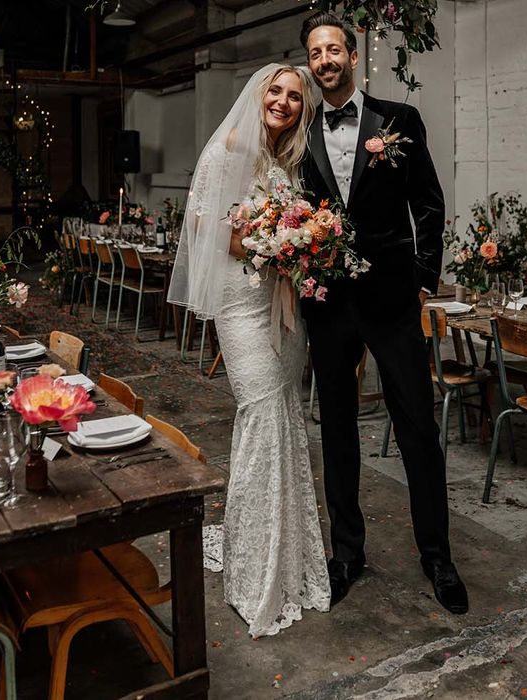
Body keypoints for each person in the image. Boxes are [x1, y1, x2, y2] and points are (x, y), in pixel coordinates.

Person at [299, 12, 469, 615]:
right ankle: (347, 553)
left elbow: (428, 202)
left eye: (333, 49)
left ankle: (437, 557)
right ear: (310, 61)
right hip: (328, 304)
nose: (325, 60)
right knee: (338, 429)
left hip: (393, 300)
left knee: (418, 429)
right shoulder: (300, 131)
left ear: (353, 52)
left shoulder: (399, 120)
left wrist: (423, 278)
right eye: (315, 52)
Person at [167, 64, 330, 637]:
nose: (284, 102)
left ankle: (287, 556)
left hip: (283, 308)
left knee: (286, 416)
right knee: (260, 415)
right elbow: (206, 227)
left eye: (294, 96)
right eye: (277, 91)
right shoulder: (224, 153)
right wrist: (271, 242)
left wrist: (300, 245)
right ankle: (253, 568)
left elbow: (284, 225)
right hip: (241, 305)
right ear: (259, 95)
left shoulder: (285, 163)